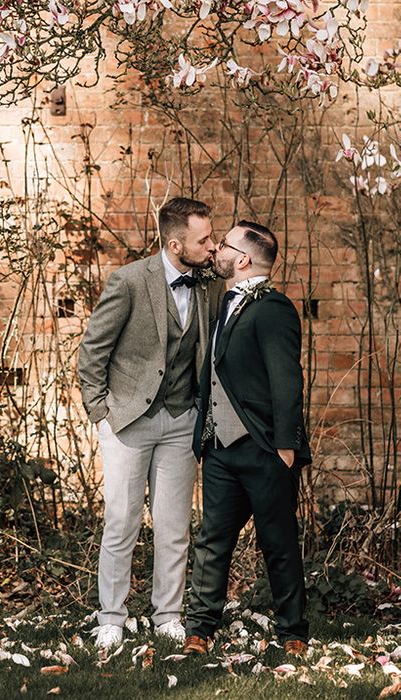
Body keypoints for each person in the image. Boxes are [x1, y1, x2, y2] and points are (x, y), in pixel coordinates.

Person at [78, 197, 221, 649]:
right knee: (121, 523)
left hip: (182, 419)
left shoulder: (206, 286)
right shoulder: (129, 281)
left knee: (175, 526)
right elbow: (92, 351)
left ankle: (168, 615)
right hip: (128, 421)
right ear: (176, 244)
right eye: (204, 239)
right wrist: (100, 412)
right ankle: (111, 618)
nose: (212, 246)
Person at [182, 221, 311, 657]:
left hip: (265, 450)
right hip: (220, 449)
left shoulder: (274, 308)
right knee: (213, 540)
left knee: (278, 542)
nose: (216, 249)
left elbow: (287, 380)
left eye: (224, 245)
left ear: (243, 259)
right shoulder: (224, 303)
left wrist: (286, 447)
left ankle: (293, 632)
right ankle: (200, 628)